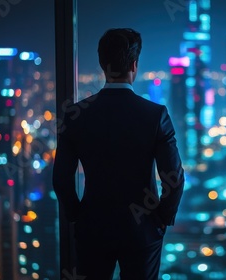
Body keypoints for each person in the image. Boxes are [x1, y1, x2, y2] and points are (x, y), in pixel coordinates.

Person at [52, 27, 185, 280]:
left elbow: (61, 179)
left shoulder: (76, 116)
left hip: (93, 228)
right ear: (134, 65)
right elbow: (174, 179)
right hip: (142, 230)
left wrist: (78, 217)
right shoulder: (155, 115)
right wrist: (160, 219)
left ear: (103, 64)